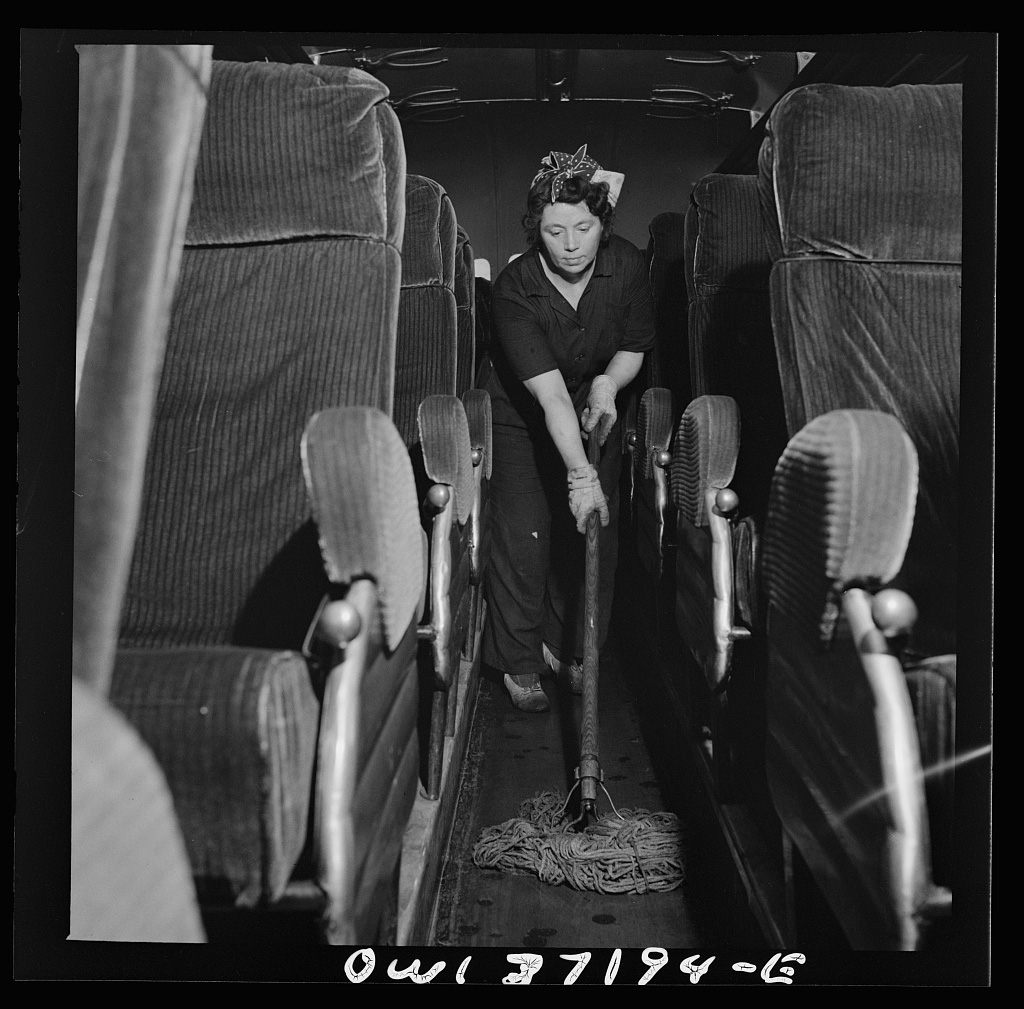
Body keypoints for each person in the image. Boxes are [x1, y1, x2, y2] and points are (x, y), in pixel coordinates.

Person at [481, 145, 655, 712]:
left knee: (593, 530)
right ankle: (521, 662)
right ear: (538, 233)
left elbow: (632, 348)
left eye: (584, 227)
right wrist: (580, 474)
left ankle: (571, 647)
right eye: (556, 231)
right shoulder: (515, 288)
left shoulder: (626, 265)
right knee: (527, 534)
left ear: (602, 223)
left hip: (595, 400)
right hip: (525, 411)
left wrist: (608, 386)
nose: (573, 244)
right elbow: (551, 396)